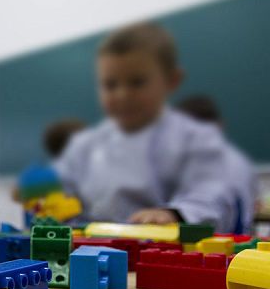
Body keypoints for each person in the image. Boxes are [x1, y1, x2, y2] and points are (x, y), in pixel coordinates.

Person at [51, 23, 234, 230]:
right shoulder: (84, 145)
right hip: (91, 243)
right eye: (110, 85)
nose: (122, 95)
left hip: (162, 244)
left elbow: (212, 193)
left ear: (172, 81)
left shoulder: (196, 139)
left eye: (137, 82)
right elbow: (61, 183)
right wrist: (45, 195)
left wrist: (174, 213)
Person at [177, 95, 258, 233]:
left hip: (216, 238)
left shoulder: (210, 162)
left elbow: (204, 208)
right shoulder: (239, 160)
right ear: (220, 124)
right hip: (237, 236)